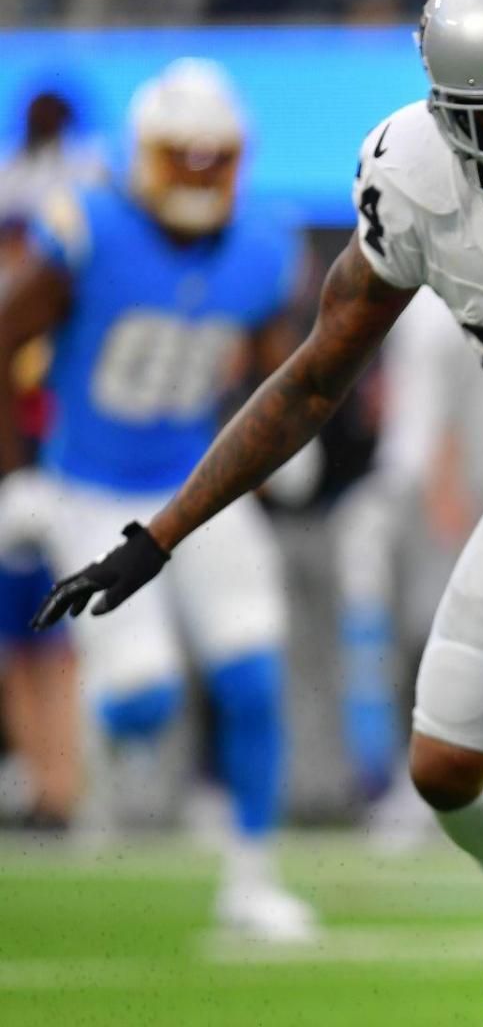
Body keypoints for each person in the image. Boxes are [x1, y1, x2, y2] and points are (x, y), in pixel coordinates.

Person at [31, 0, 483, 1022]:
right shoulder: (409, 179)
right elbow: (313, 377)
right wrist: (162, 533)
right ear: (444, 115)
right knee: (446, 766)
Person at [0, 59, 312, 938]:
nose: (202, 177)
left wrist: (281, 439)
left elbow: (274, 354)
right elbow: (5, 333)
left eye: (218, 159)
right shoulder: (88, 227)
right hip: (89, 487)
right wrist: (18, 472)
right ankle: (73, 756)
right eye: (186, 158)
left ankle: (251, 879)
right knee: (144, 700)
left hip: (195, 487)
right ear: (147, 155)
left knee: (253, 673)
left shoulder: (263, 242)